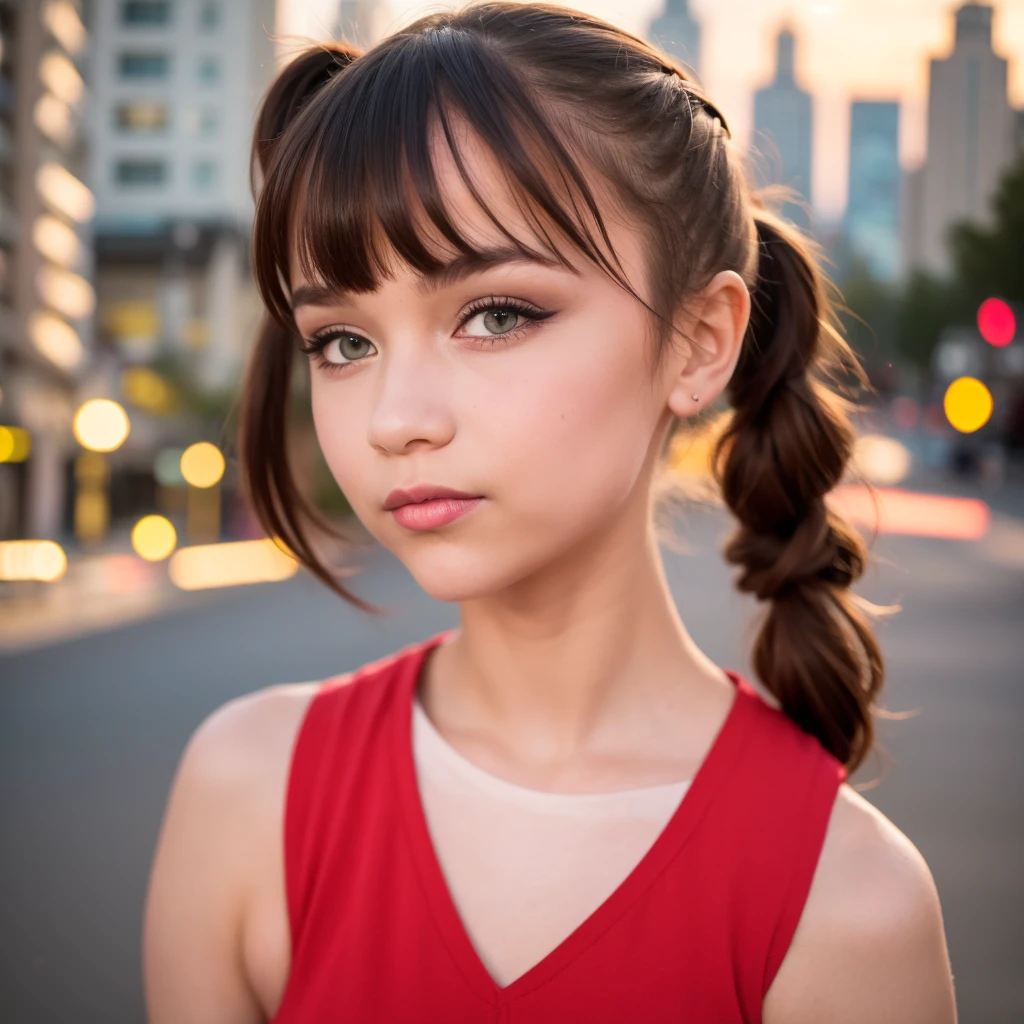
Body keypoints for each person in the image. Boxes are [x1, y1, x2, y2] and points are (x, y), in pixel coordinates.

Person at [142, 4, 958, 1021]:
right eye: (342, 341)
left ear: (701, 340)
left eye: (494, 315)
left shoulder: (848, 903)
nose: (395, 420)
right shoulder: (247, 796)